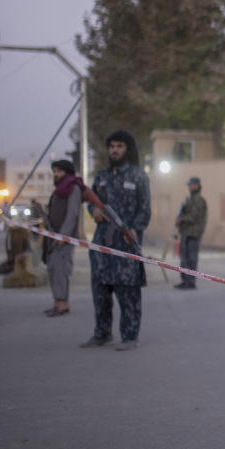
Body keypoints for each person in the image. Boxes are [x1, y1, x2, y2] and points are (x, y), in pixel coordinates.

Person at [81, 130, 151, 351]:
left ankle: (130, 336)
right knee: (100, 291)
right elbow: (90, 201)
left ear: (127, 149)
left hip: (126, 244)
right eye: (112, 146)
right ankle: (102, 333)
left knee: (128, 292)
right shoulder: (101, 176)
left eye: (119, 146)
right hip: (102, 243)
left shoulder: (138, 176)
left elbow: (145, 209)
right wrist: (94, 211)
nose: (114, 150)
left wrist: (133, 228)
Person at [42, 159, 84, 317]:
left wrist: (63, 236)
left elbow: (72, 214)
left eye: (59, 171)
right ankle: (56, 303)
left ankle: (63, 305)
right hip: (53, 236)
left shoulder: (73, 188)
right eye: (55, 171)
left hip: (64, 238)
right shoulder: (58, 190)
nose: (56, 174)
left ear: (67, 172)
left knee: (61, 270)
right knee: (53, 269)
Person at [174, 176, 208, 290]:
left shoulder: (199, 200)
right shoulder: (190, 199)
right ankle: (184, 280)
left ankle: (191, 282)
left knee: (191, 259)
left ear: (196, 185)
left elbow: (194, 217)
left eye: (191, 185)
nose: (189, 187)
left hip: (193, 234)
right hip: (186, 233)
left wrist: (181, 218)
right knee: (184, 258)